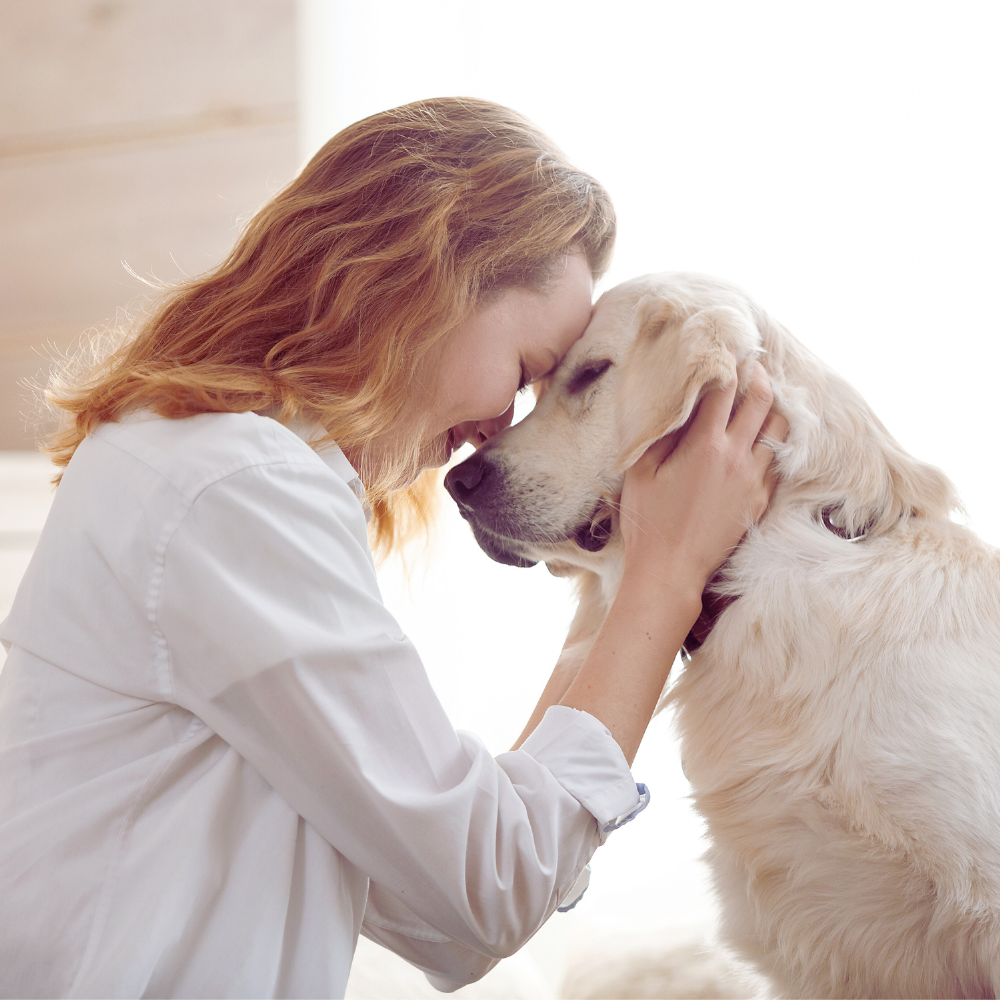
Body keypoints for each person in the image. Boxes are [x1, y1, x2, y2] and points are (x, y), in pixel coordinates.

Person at [0, 98, 785, 999]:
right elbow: (482, 894)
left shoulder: (202, 463)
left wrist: (619, 578)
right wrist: (666, 576)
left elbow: (439, 914)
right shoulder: (233, 486)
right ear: (427, 282)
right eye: (526, 372)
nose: (500, 427)